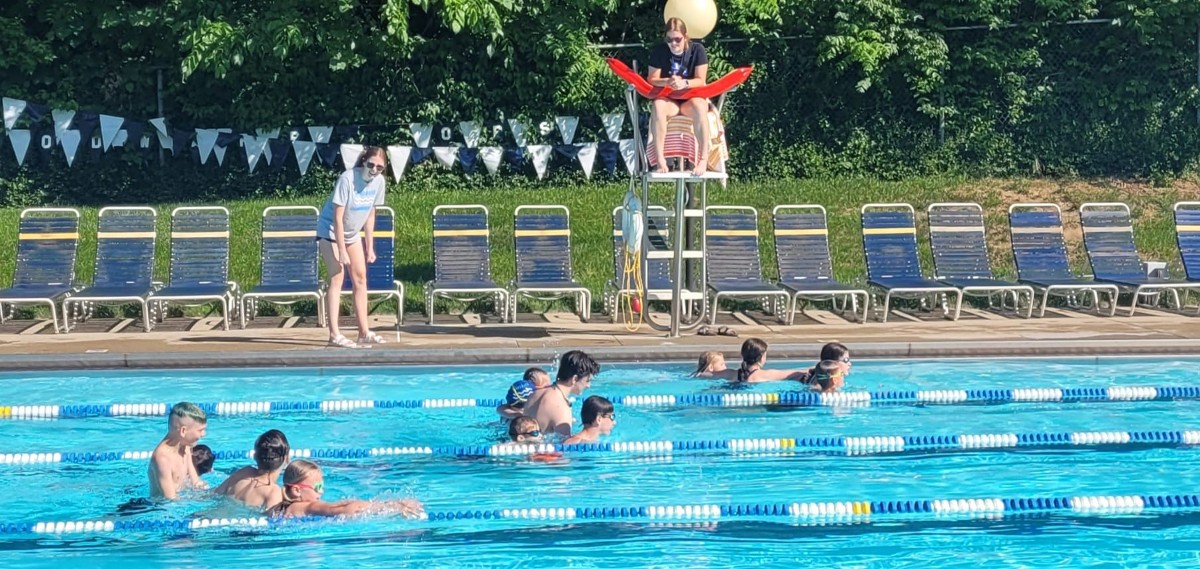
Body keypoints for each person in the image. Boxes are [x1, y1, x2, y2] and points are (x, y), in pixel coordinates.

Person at [318, 146, 389, 348]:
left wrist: (370, 246)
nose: (374, 170)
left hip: (352, 234)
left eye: (380, 167)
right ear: (364, 161)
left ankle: (363, 332)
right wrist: (341, 250)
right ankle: (334, 334)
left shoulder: (379, 182)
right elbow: (337, 218)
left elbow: (370, 214)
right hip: (330, 231)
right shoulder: (347, 179)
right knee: (337, 277)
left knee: (360, 278)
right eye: (371, 165)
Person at [647, 17, 712, 176]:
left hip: (691, 98)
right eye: (669, 40)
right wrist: (667, 81)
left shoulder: (697, 50)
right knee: (658, 105)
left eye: (677, 39)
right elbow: (652, 79)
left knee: (700, 106)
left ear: (685, 36)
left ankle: (703, 159)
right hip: (670, 100)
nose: (673, 44)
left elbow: (701, 80)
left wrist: (685, 83)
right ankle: (660, 159)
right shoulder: (660, 51)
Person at [265, 460, 424, 519]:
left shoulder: (279, 507)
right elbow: (337, 510)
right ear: (297, 490)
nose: (321, 492)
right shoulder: (307, 506)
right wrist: (390, 506)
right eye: (317, 487)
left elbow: (337, 505)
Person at [523, 350, 601, 437]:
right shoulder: (562, 408)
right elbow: (564, 443)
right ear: (575, 379)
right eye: (588, 380)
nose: (588, 386)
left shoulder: (535, 394)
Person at [213, 429, 290, 509]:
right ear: (287, 458)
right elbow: (273, 516)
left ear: (254, 457)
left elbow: (214, 493)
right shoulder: (273, 492)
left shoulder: (243, 472)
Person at [148, 402, 209, 500]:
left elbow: (195, 481)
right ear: (183, 431)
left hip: (180, 500)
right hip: (158, 506)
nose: (203, 434)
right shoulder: (162, 459)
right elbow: (170, 499)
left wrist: (208, 492)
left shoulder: (185, 447)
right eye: (200, 430)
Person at [730, 338, 809, 383]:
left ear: (742, 354)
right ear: (762, 357)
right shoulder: (765, 374)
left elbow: (721, 370)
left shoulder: (731, 374)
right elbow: (793, 373)